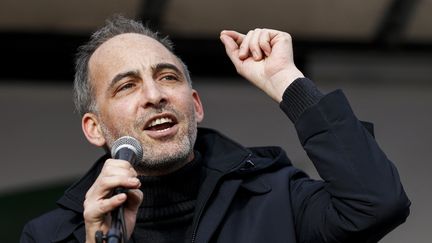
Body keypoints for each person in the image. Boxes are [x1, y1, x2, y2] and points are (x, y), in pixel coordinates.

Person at [21, 15, 410, 243]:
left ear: (196, 105)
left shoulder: (275, 196)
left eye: (168, 77)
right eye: (127, 86)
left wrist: (286, 81)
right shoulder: (52, 235)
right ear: (94, 128)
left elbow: (376, 205)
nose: (154, 95)